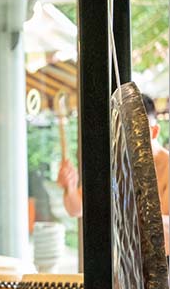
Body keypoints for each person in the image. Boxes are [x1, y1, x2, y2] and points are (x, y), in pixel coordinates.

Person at [58, 94, 169, 252]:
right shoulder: (116, 165)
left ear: (154, 132)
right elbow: (76, 208)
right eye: (121, 132)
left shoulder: (167, 167)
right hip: (118, 267)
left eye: (136, 132)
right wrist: (69, 187)